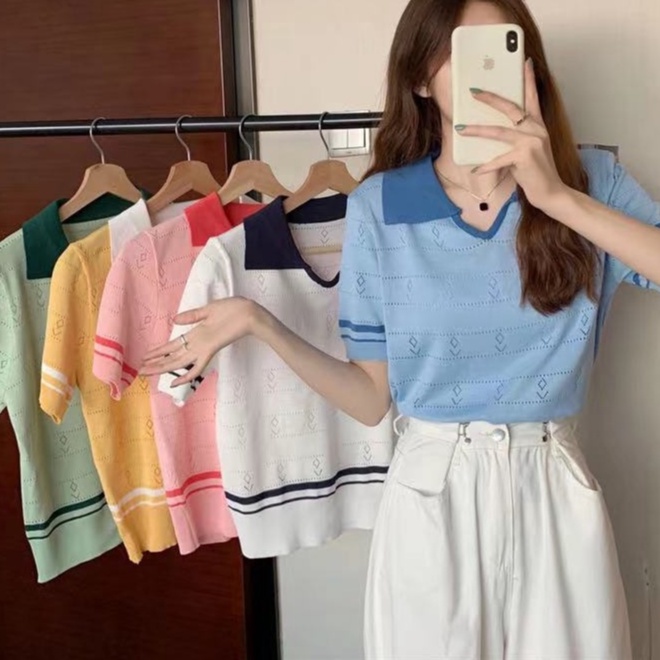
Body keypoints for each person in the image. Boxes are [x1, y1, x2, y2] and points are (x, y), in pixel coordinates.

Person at [142, 0, 660, 657]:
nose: (486, 75)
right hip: (432, 493)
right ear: (420, 78)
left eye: (503, 50)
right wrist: (258, 321)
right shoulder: (380, 205)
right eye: (460, 54)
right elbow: (369, 398)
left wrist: (556, 196)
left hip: (553, 487)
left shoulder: (590, 182)